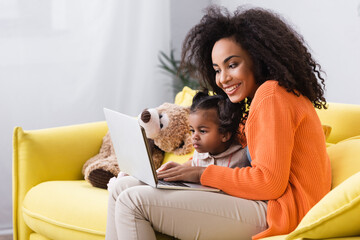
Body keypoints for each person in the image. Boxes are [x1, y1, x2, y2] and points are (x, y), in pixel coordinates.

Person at [105, 5, 331, 240]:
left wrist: (199, 174)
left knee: (132, 201)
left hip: (282, 212)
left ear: (258, 58)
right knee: (121, 188)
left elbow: (269, 183)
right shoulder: (256, 102)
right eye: (217, 69)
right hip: (261, 202)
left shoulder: (271, 95)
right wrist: (179, 172)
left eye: (232, 65)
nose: (223, 78)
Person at [185, 91, 251, 168]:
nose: (194, 137)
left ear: (224, 135)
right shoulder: (198, 154)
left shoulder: (242, 158)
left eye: (202, 131)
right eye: (192, 130)